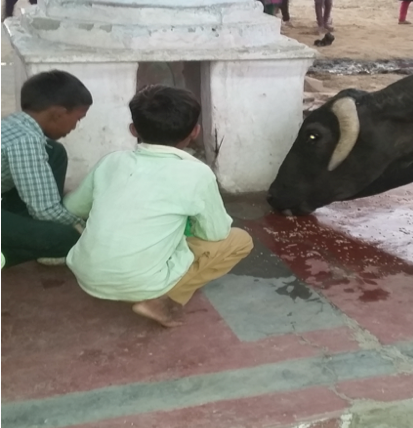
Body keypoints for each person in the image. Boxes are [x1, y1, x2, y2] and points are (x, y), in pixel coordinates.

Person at [64, 85, 254, 328]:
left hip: (85, 274)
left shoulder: (112, 161)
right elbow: (215, 233)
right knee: (239, 240)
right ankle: (165, 300)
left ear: (133, 130)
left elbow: (73, 207)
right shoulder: (197, 173)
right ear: (195, 132)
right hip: (141, 283)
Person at [2, 71, 93, 268]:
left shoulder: (15, 125)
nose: (76, 126)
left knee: (54, 151)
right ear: (58, 113)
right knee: (69, 238)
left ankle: (19, 229)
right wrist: (84, 225)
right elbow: (46, 211)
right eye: (78, 119)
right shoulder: (25, 140)